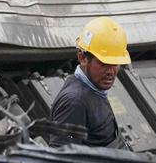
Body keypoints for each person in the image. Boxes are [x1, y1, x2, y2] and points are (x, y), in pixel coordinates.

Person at [49, 16, 131, 147]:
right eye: (104, 63)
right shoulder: (75, 102)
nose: (111, 71)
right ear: (82, 58)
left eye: (116, 63)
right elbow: (61, 157)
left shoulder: (94, 89)